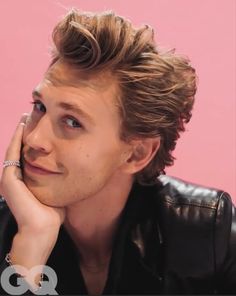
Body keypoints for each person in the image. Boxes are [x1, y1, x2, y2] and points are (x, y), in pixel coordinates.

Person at [0, 8, 235, 295]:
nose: (35, 138)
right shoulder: (9, 229)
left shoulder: (204, 230)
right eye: (40, 107)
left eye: (72, 122)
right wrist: (29, 249)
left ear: (136, 154)